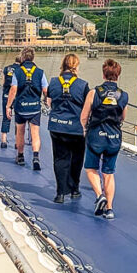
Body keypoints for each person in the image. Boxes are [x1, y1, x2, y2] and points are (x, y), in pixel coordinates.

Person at [80, 59, 128, 220]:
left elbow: (84, 116)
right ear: (118, 75)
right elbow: (123, 117)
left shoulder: (94, 93)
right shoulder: (123, 95)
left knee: (91, 168)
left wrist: (85, 129)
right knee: (109, 172)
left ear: (103, 74)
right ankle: (109, 209)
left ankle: (100, 195)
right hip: (114, 137)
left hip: (96, 136)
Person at [46, 53, 89, 203]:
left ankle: (60, 193)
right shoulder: (83, 85)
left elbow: (49, 100)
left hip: (57, 126)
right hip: (76, 128)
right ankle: (74, 188)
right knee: (76, 159)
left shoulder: (53, 82)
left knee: (60, 158)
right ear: (76, 66)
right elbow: (86, 106)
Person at [5, 48, 47, 170]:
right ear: (33, 58)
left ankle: (20, 156)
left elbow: (13, 90)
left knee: (20, 132)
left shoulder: (17, 72)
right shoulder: (40, 72)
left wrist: (8, 106)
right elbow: (45, 90)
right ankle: (36, 157)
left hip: (21, 108)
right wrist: (46, 100)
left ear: (22, 57)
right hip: (35, 108)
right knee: (35, 133)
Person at [0, 55, 20, 149]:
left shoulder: (7, 68)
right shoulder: (22, 70)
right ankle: (17, 141)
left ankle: (3, 140)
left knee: (6, 118)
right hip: (18, 96)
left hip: (6, 95)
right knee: (18, 120)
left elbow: (3, 82)